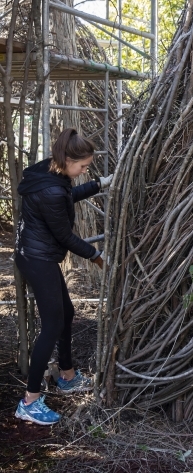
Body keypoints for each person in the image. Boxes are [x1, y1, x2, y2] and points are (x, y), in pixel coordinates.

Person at [14, 128, 113, 426]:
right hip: (37, 257)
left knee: (66, 313)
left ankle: (67, 376)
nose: (84, 171)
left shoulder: (49, 172)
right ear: (68, 159)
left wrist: (99, 184)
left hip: (37, 252)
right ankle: (29, 401)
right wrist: (97, 256)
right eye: (83, 167)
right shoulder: (53, 189)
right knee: (53, 323)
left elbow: (66, 196)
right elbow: (65, 236)